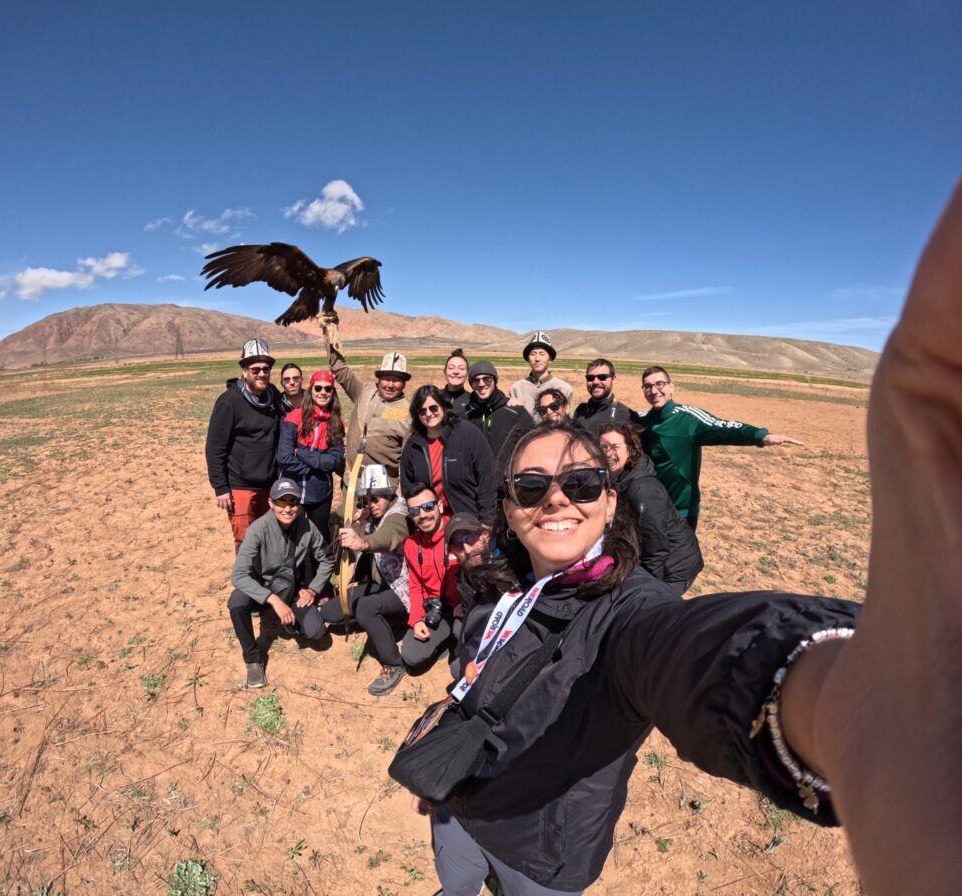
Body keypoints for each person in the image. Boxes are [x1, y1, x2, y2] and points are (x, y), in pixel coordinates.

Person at [403, 177, 962, 896]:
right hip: (455, 812)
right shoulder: (499, 585)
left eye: (579, 483)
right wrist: (446, 721)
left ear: (611, 501)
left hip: (541, 855)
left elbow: (695, 653)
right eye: (532, 488)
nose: (556, 502)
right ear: (508, 508)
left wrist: (847, 694)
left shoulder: (624, 616)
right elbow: (481, 672)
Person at [637, 365, 803, 530]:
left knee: (682, 557)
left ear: (671, 386)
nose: (654, 391)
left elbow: (723, 428)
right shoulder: (640, 421)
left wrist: (760, 436)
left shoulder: (689, 418)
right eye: (648, 386)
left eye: (660, 384)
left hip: (681, 510)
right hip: (650, 507)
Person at [228, 478, 334, 687]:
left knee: (316, 633)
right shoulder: (258, 529)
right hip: (262, 587)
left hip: (292, 587)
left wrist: (313, 589)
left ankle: (290, 621)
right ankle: (253, 659)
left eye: (293, 502)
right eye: (282, 502)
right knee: (237, 602)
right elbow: (238, 574)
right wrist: (273, 600)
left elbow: (327, 560)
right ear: (271, 503)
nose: (288, 508)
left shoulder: (307, 527)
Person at [325, 465, 412, 696]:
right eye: (366, 499)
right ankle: (384, 621)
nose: (371, 504)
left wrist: (363, 542)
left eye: (376, 499)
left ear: (389, 495)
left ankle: (393, 664)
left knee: (365, 608)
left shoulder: (398, 515)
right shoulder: (372, 515)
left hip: (403, 589)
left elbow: (389, 538)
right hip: (381, 582)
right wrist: (360, 523)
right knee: (332, 613)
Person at [600, 422, 702, 593]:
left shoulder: (643, 488)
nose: (608, 453)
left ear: (630, 449)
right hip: (650, 554)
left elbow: (657, 545)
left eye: (615, 446)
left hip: (674, 565)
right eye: (603, 447)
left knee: (658, 611)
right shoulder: (617, 478)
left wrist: (648, 587)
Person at [206, 338, 283, 552]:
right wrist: (220, 487)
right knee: (246, 542)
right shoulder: (229, 402)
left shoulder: (273, 396)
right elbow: (215, 448)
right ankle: (247, 584)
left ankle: (269, 580)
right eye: (255, 369)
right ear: (244, 371)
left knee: (268, 536)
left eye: (266, 369)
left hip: (268, 483)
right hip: (240, 486)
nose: (261, 374)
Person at [401, 386, 496, 519]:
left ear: (444, 407)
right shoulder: (413, 445)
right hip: (430, 522)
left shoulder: (467, 433)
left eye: (433, 408)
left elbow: (487, 478)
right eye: (422, 411)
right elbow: (408, 488)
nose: (428, 414)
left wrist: (487, 519)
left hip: (467, 518)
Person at [327, 335, 412, 484]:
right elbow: (340, 370)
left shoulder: (409, 414)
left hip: (384, 490)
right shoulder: (364, 391)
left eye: (397, 380)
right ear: (379, 380)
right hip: (352, 480)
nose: (390, 385)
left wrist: (398, 496)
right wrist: (329, 332)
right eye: (386, 378)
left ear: (404, 384)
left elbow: (408, 464)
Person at [276, 370, 345, 543]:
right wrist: (318, 465)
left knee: (319, 537)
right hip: (293, 489)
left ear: (332, 393)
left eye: (328, 389)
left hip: (320, 491)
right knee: (292, 537)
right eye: (318, 388)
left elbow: (335, 460)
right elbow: (284, 458)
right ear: (311, 390)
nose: (323, 392)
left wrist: (303, 455)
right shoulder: (293, 418)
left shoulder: (335, 422)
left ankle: (319, 570)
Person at [401, 484, 463, 674]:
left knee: (459, 668)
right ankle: (445, 640)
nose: (422, 514)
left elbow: (479, 575)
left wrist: (468, 601)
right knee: (411, 656)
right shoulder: (411, 544)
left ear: (440, 506)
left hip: (462, 606)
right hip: (435, 606)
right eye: (414, 511)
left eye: (428, 507)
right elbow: (415, 585)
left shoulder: (458, 532)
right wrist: (416, 620)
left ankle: (455, 641)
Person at [461, 361, 534, 460]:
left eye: (487, 379)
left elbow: (532, 443)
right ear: (471, 383)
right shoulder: (465, 414)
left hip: (505, 473)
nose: (481, 384)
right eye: (475, 380)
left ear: (495, 380)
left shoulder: (515, 412)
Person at [508, 331, 573, 415]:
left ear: (550, 359)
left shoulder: (564, 388)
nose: (537, 358)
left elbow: (568, 421)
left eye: (542, 354)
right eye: (533, 354)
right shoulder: (516, 388)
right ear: (528, 359)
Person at [572, 358, 632, 432]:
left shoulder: (625, 414)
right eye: (590, 378)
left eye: (602, 377)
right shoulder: (580, 410)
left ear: (613, 379)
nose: (595, 382)